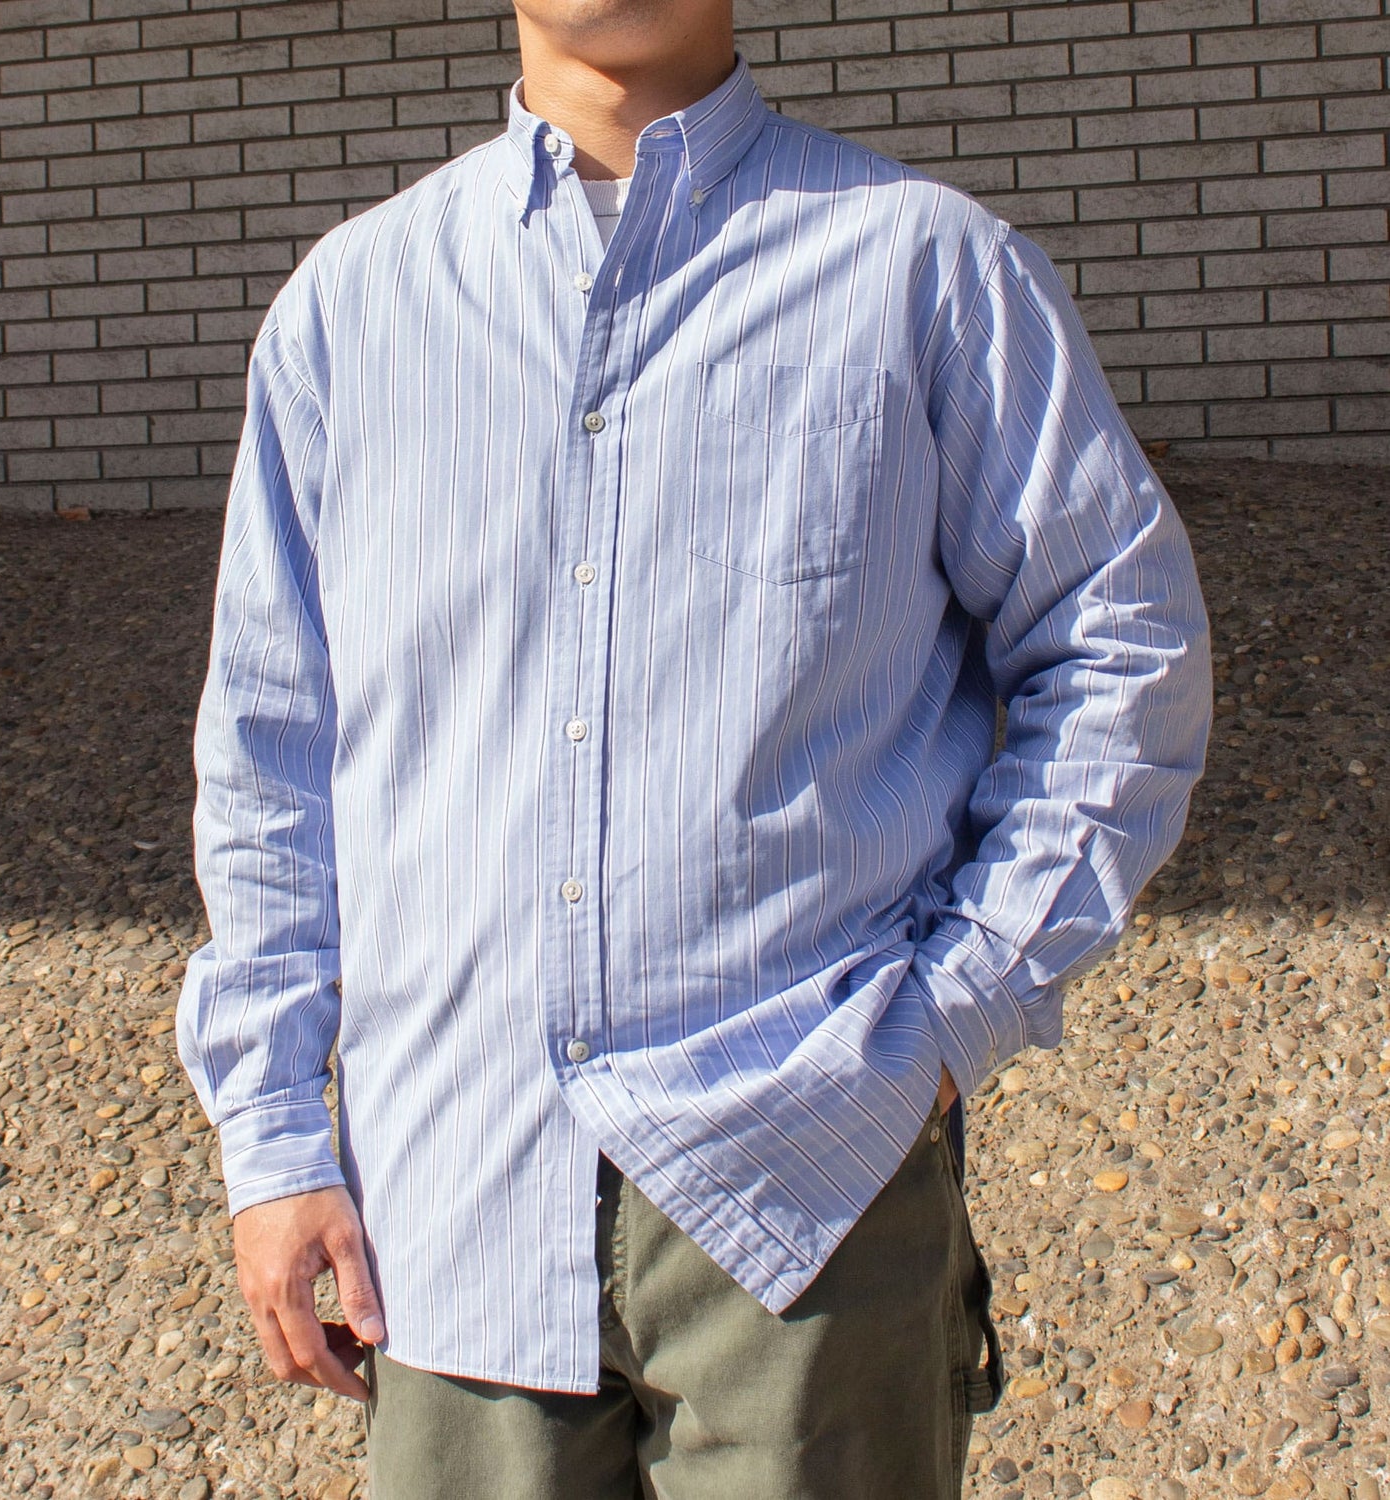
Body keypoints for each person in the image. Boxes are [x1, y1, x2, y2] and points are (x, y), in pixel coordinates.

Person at [175, 0, 1213, 1493]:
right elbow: (274, 749)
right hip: (449, 1197)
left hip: (811, 1182)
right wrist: (275, 1134)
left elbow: (1123, 650)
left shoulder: (925, 272)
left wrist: (954, 1011)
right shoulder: (352, 310)